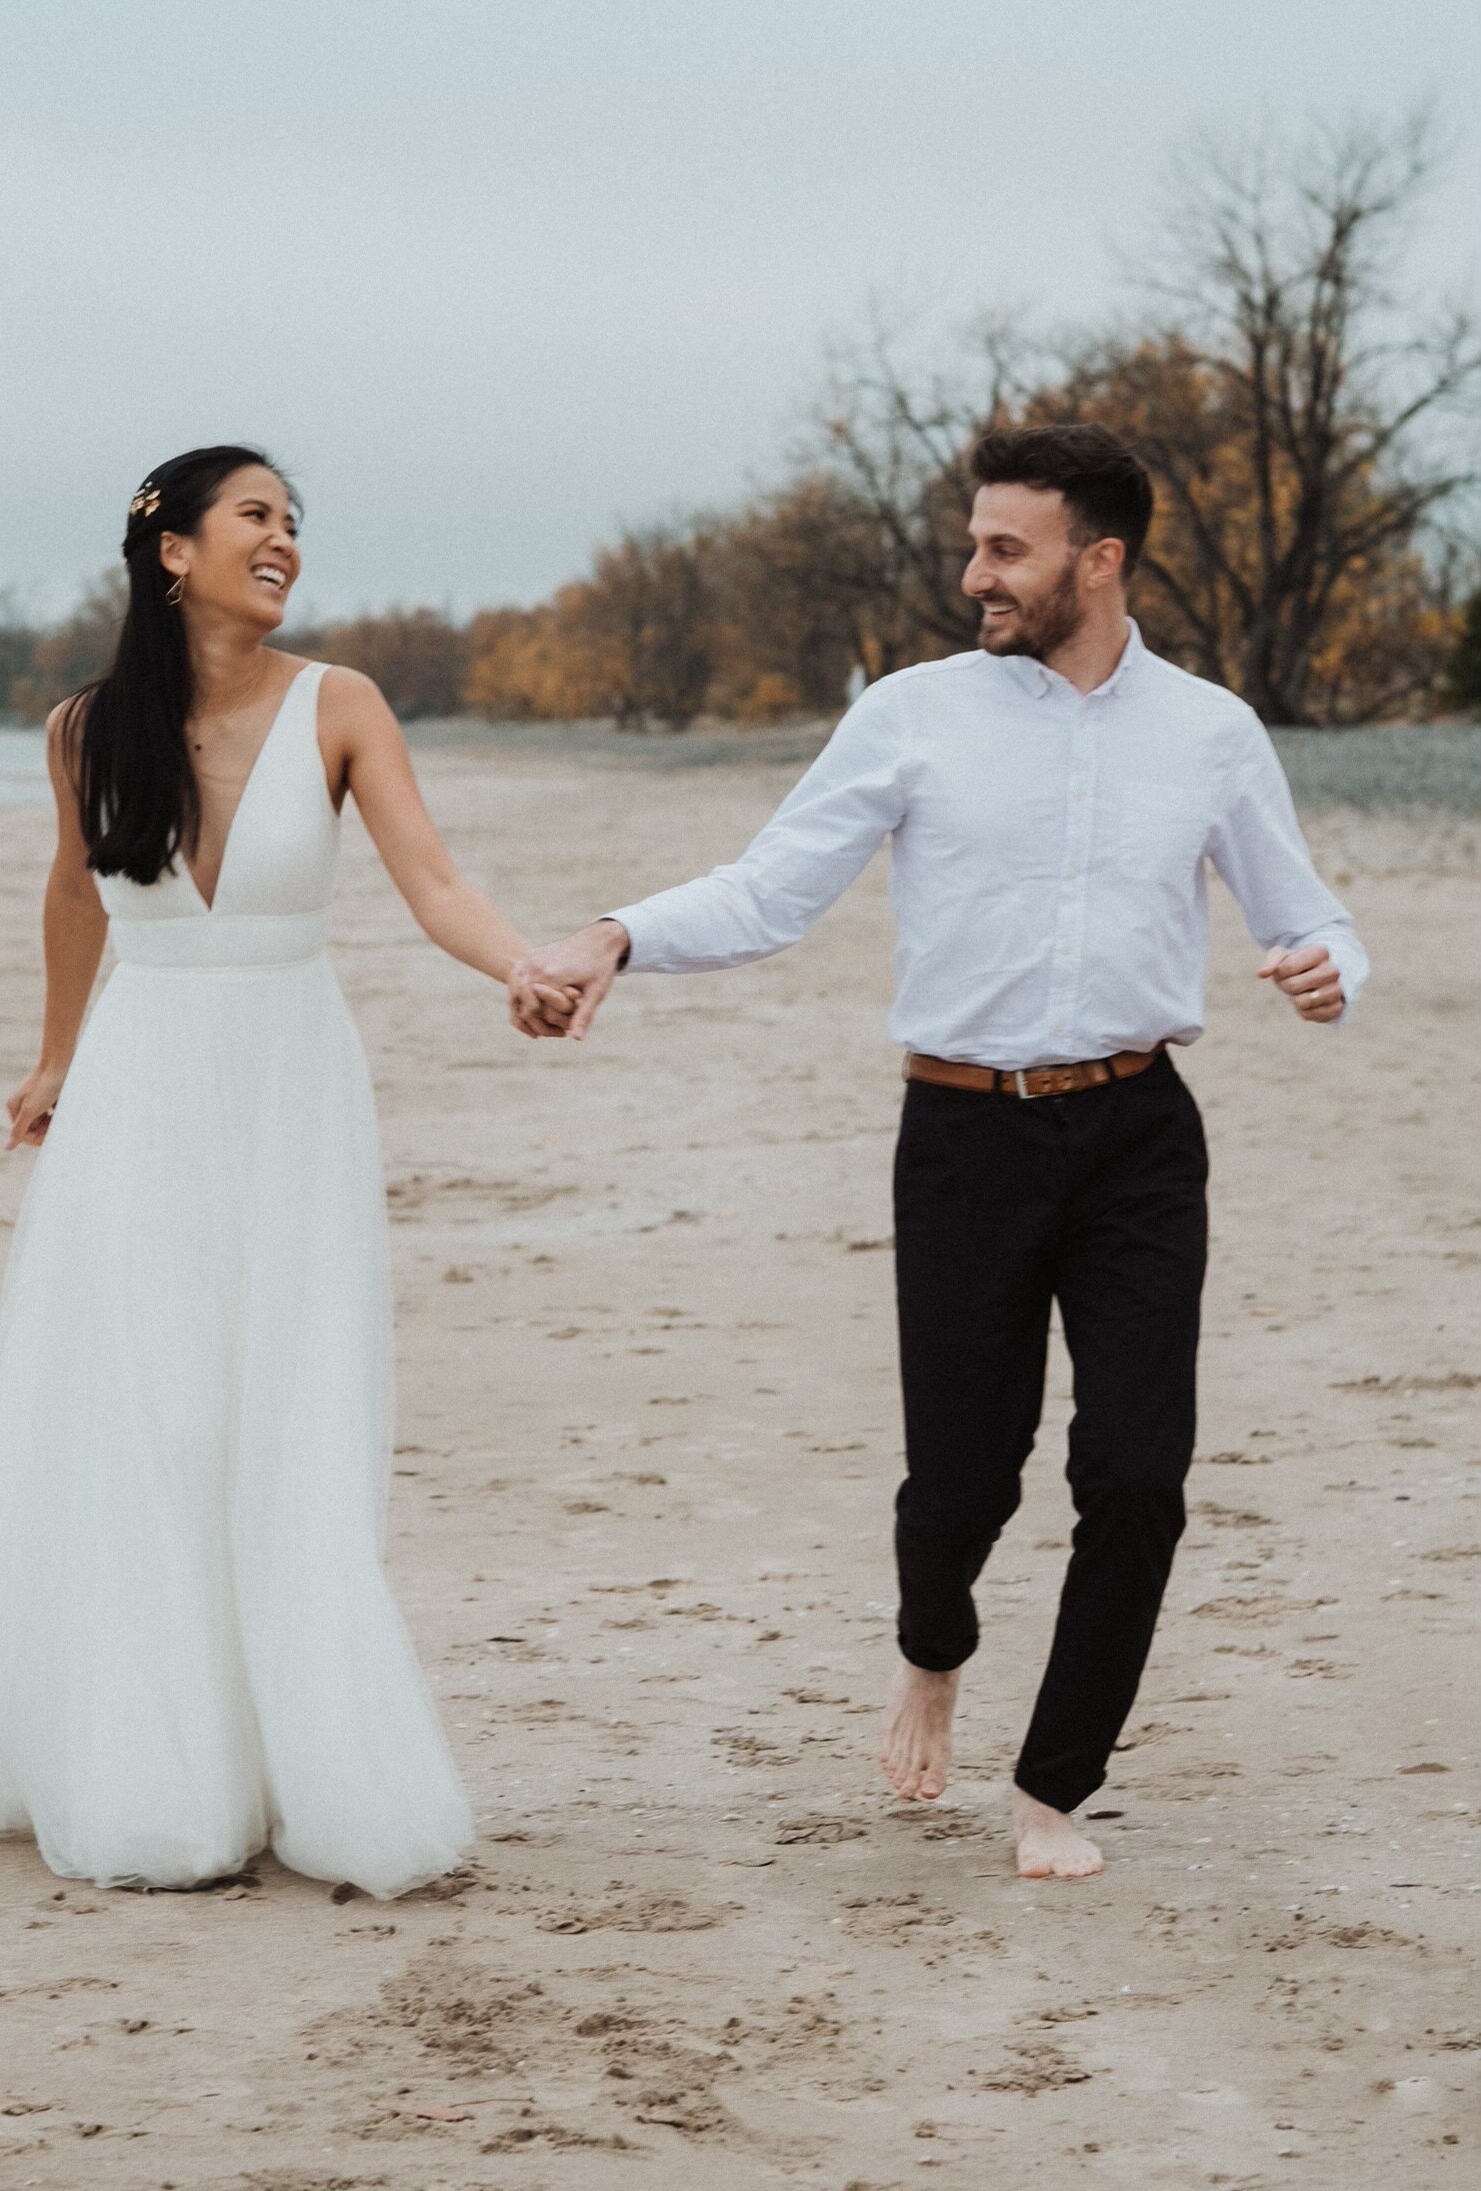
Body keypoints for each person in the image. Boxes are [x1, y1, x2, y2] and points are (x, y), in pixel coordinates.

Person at [508, 422, 1366, 1881]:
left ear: (1097, 562)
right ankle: (932, 1646)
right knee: (963, 1473)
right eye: (973, 543)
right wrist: (617, 934)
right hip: (961, 1133)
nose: (973, 572)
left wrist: (1333, 965)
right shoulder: (912, 714)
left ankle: (1054, 1784)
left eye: (1004, 548)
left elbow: (1305, 911)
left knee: (1138, 1473)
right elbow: (773, 890)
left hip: (1139, 1133)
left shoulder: (1209, 732)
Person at [0, 445, 567, 1895]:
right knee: (153, 1412)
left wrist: (522, 963)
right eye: (255, 516)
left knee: (289, 1410)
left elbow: (432, 880)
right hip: (143, 1088)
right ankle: (160, 1767)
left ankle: (313, 1767)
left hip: (293, 1084)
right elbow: (74, 895)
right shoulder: (86, 729)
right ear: (172, 549)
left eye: (294, 522)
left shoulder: (341, 704)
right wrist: (53, 1060)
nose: (283, 539)